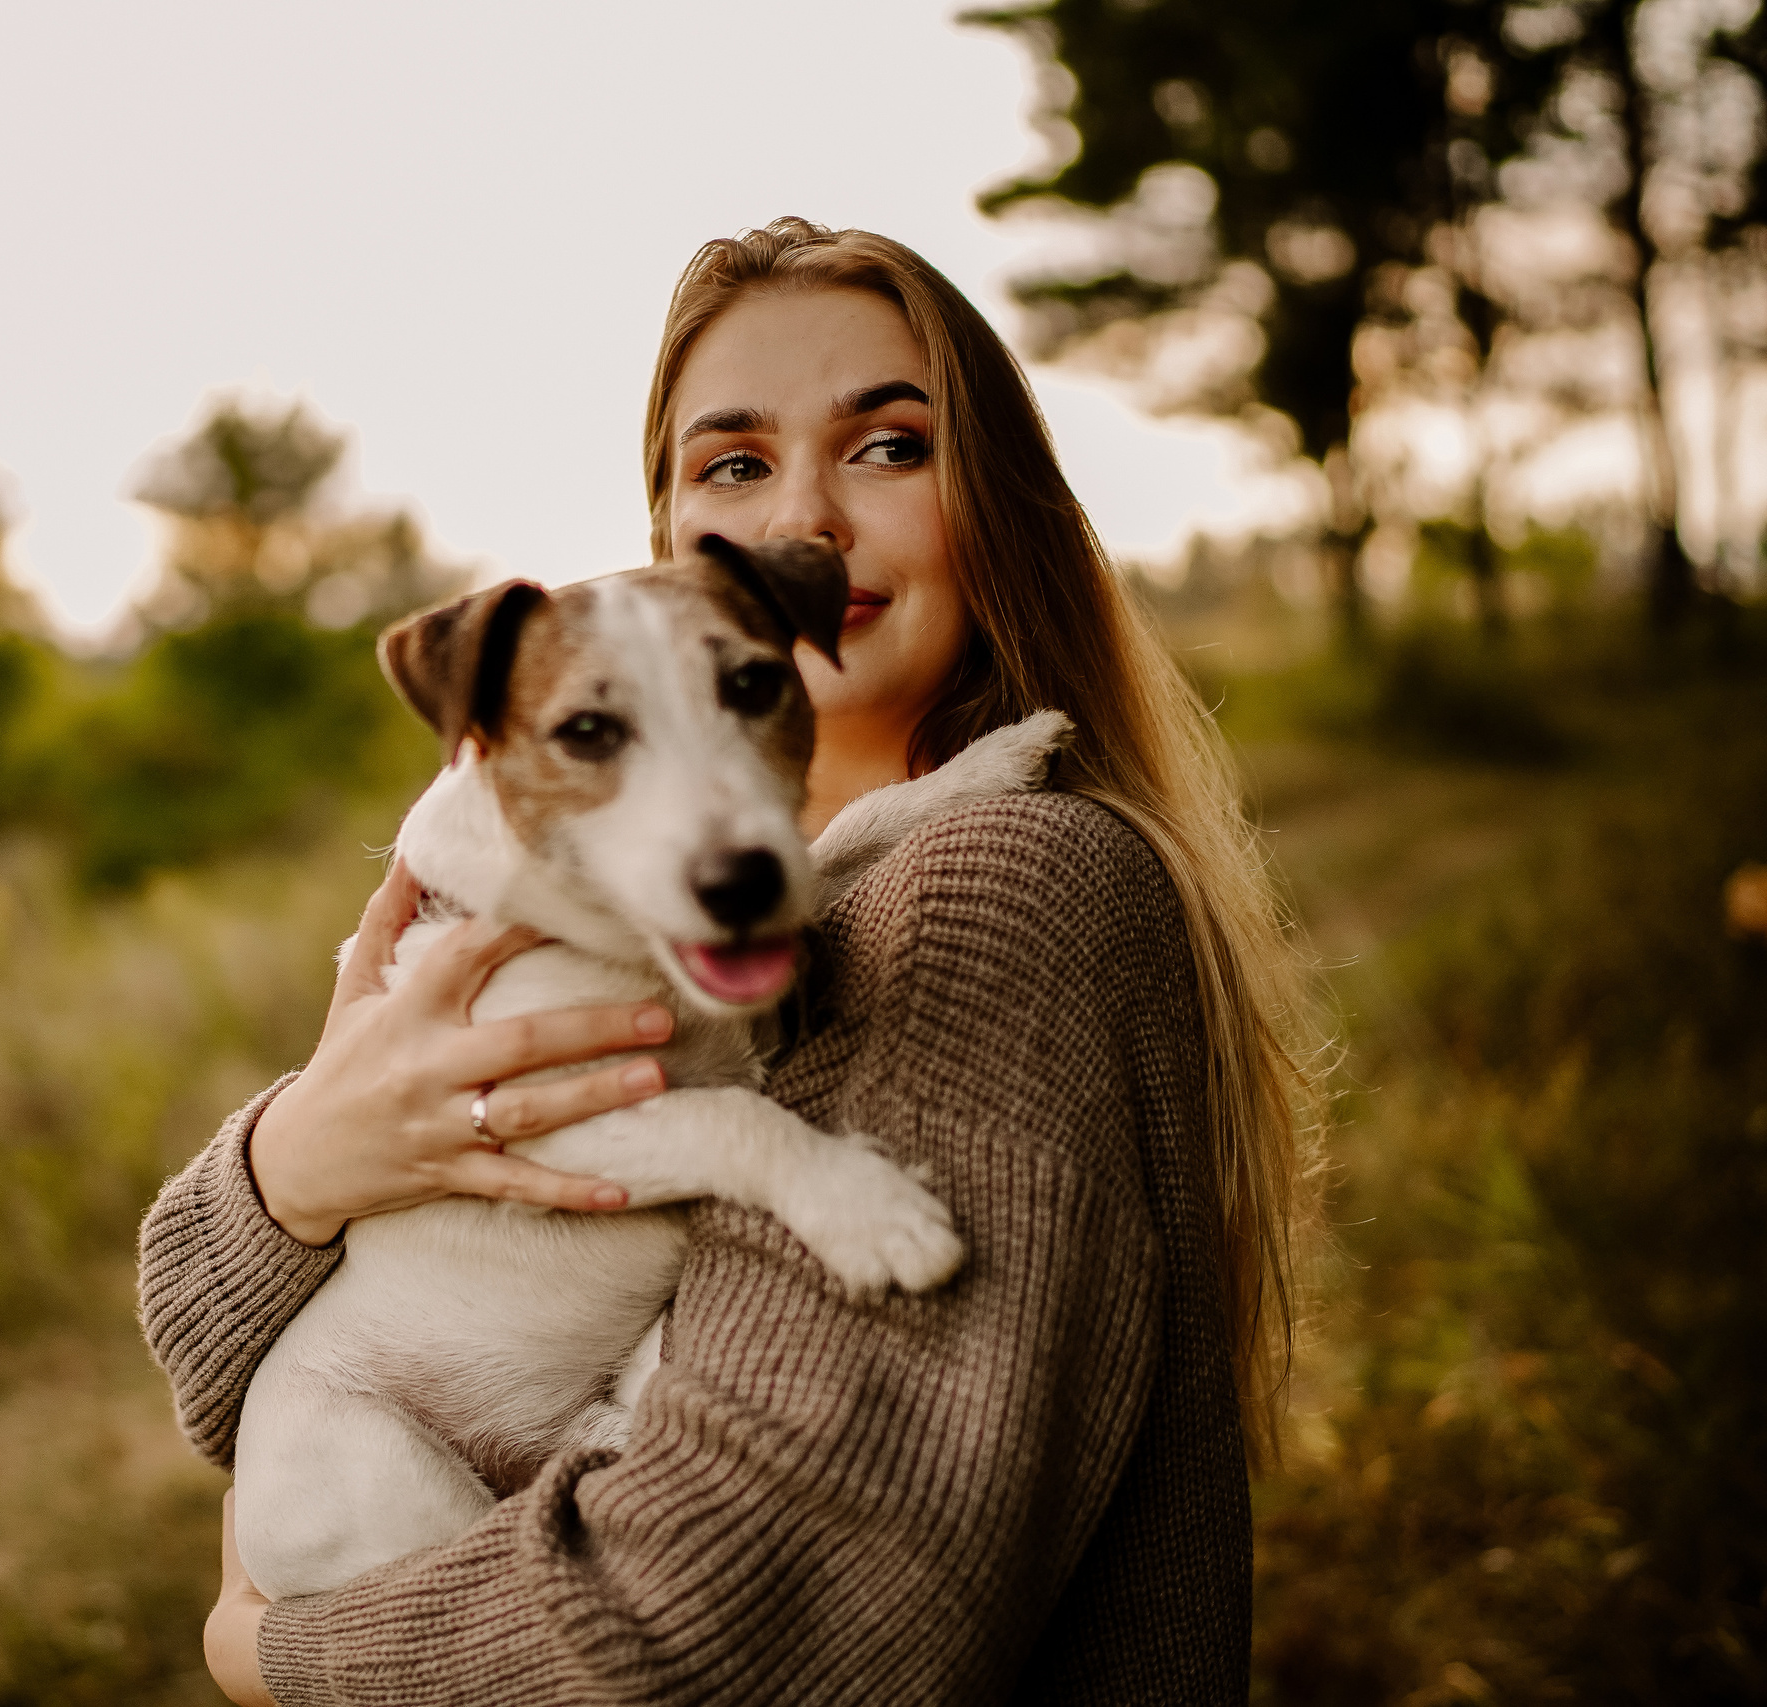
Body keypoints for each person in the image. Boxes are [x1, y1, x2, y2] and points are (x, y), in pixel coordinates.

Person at [138, 217, 1311, 1705]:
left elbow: (711, 1642)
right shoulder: (678, 892)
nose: (797, 526)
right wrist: (307, 1151)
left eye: (890, 446)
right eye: (735, 467)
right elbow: (198, 1356)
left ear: (1001, 499)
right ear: (672, 542)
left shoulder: (1002, 888)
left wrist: (267, 1652)